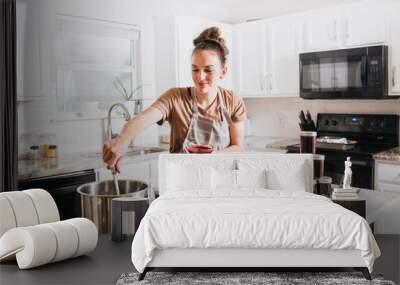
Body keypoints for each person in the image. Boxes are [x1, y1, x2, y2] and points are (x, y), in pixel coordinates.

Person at [103, 26, 247, 172]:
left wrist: (211, 158)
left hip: (221, 179)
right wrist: (123, 139)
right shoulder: (175, 98)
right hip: (183, 183)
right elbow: (142, 120)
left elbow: (238, 146)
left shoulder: (233, 100)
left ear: (223, 72)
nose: (200, 77)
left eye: (208, 70)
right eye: (195, 69)